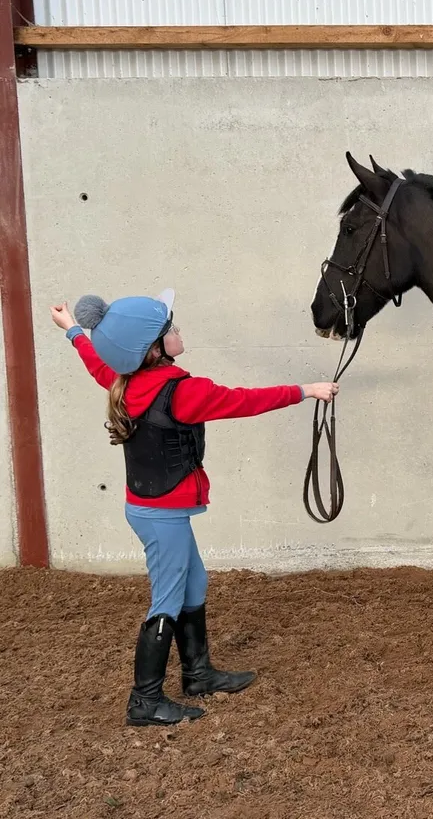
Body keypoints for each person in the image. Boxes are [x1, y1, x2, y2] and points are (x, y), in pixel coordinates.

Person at [50, 289, 338, 727]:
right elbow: (244, 400)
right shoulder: (183, 392)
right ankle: (144, 701)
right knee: (165, 600)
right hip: (163, 514)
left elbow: (94, 359)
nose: (180, 332)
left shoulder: (121, 378)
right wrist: (306, 390)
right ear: (153, 348)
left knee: (194, 583)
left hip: (152, 508)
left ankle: (198, 674)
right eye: (172, 330)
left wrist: (72, 327)